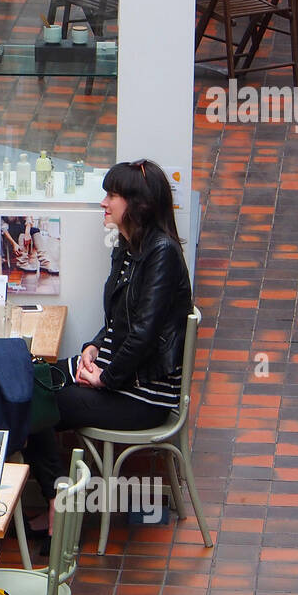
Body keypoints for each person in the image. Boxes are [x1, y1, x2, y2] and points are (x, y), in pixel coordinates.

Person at [21, 159, 192, 509]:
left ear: (138, 204)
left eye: (112, 195)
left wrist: (105, 379)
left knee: (33, 401)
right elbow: (119, 319)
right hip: (119, 376)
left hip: (143, 395)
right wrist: (94, 347)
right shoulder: (129, 249)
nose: (103, 202)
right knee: (28, 382)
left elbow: (144, 335)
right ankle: (55, 498)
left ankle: (57, 503)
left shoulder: (162, 255)